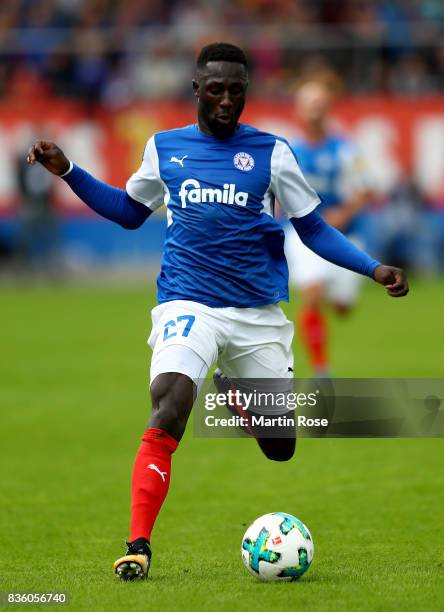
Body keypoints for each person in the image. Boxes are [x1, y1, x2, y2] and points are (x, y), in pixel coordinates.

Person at [27, 42, 408, 582]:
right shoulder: (165, 149)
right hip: (188, 302)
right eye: (216, 89)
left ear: (246, 92)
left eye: (237, 90)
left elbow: (314, 228)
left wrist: (373, 268)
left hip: (256, 314)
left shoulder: (273, 153)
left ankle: (235, 392)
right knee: (169, 405)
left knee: (280, 447)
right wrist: (68, 170)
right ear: (196, 90)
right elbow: (130, 212)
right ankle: (138, 544)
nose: (227, 100)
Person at [284, 79, 372, 376]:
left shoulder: (345, 149)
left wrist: (344, 213)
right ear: (298, 110)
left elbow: (365, 189)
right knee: (312, 292)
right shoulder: (287, 150)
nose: (314, 112)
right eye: (309, 105)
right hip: (304, 234)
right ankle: (322, 370)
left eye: (320, 105)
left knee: (343, 307)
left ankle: (338, 299)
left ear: (328, 109)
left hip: (345, 237)